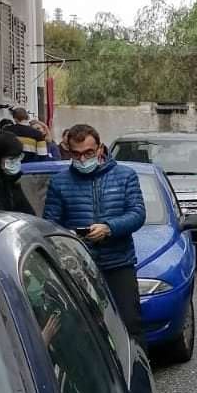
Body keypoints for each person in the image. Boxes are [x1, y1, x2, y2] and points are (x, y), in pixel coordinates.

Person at [43, 124, 146, 347]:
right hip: (77, 266)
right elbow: (50, 225)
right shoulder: (60, 182)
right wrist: (71, 237)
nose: (82, 159)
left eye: (88, 153)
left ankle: (137, 374)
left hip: (118, 263)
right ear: (68, 151)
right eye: (76, 154)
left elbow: (137, 214)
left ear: (99, 149)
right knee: (82, 329)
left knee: (130, 325)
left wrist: (109, 228)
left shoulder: (124, 176)